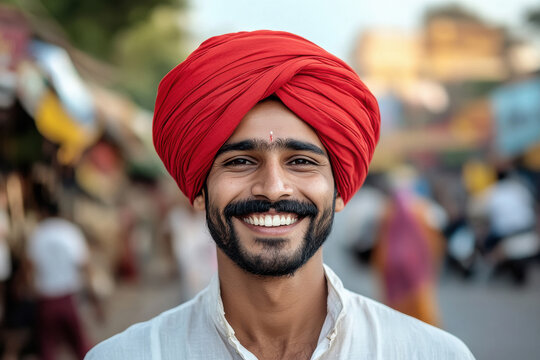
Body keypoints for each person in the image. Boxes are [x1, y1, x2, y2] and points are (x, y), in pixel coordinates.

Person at [86, 30, 474, 360]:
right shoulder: (129, 355)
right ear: (199, 191)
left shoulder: (431, 353)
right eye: (239, 161)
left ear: (340, 191)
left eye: (302, 161)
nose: (273, 187)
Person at [27, 199, 102, 360]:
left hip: (46, 299)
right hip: (68, 297)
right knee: (81, 347)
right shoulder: (70, 232)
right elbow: (85, 266)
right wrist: (95, 298)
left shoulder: (38, 233)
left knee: (47, 349)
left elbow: (29, 267)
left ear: (43, 213)